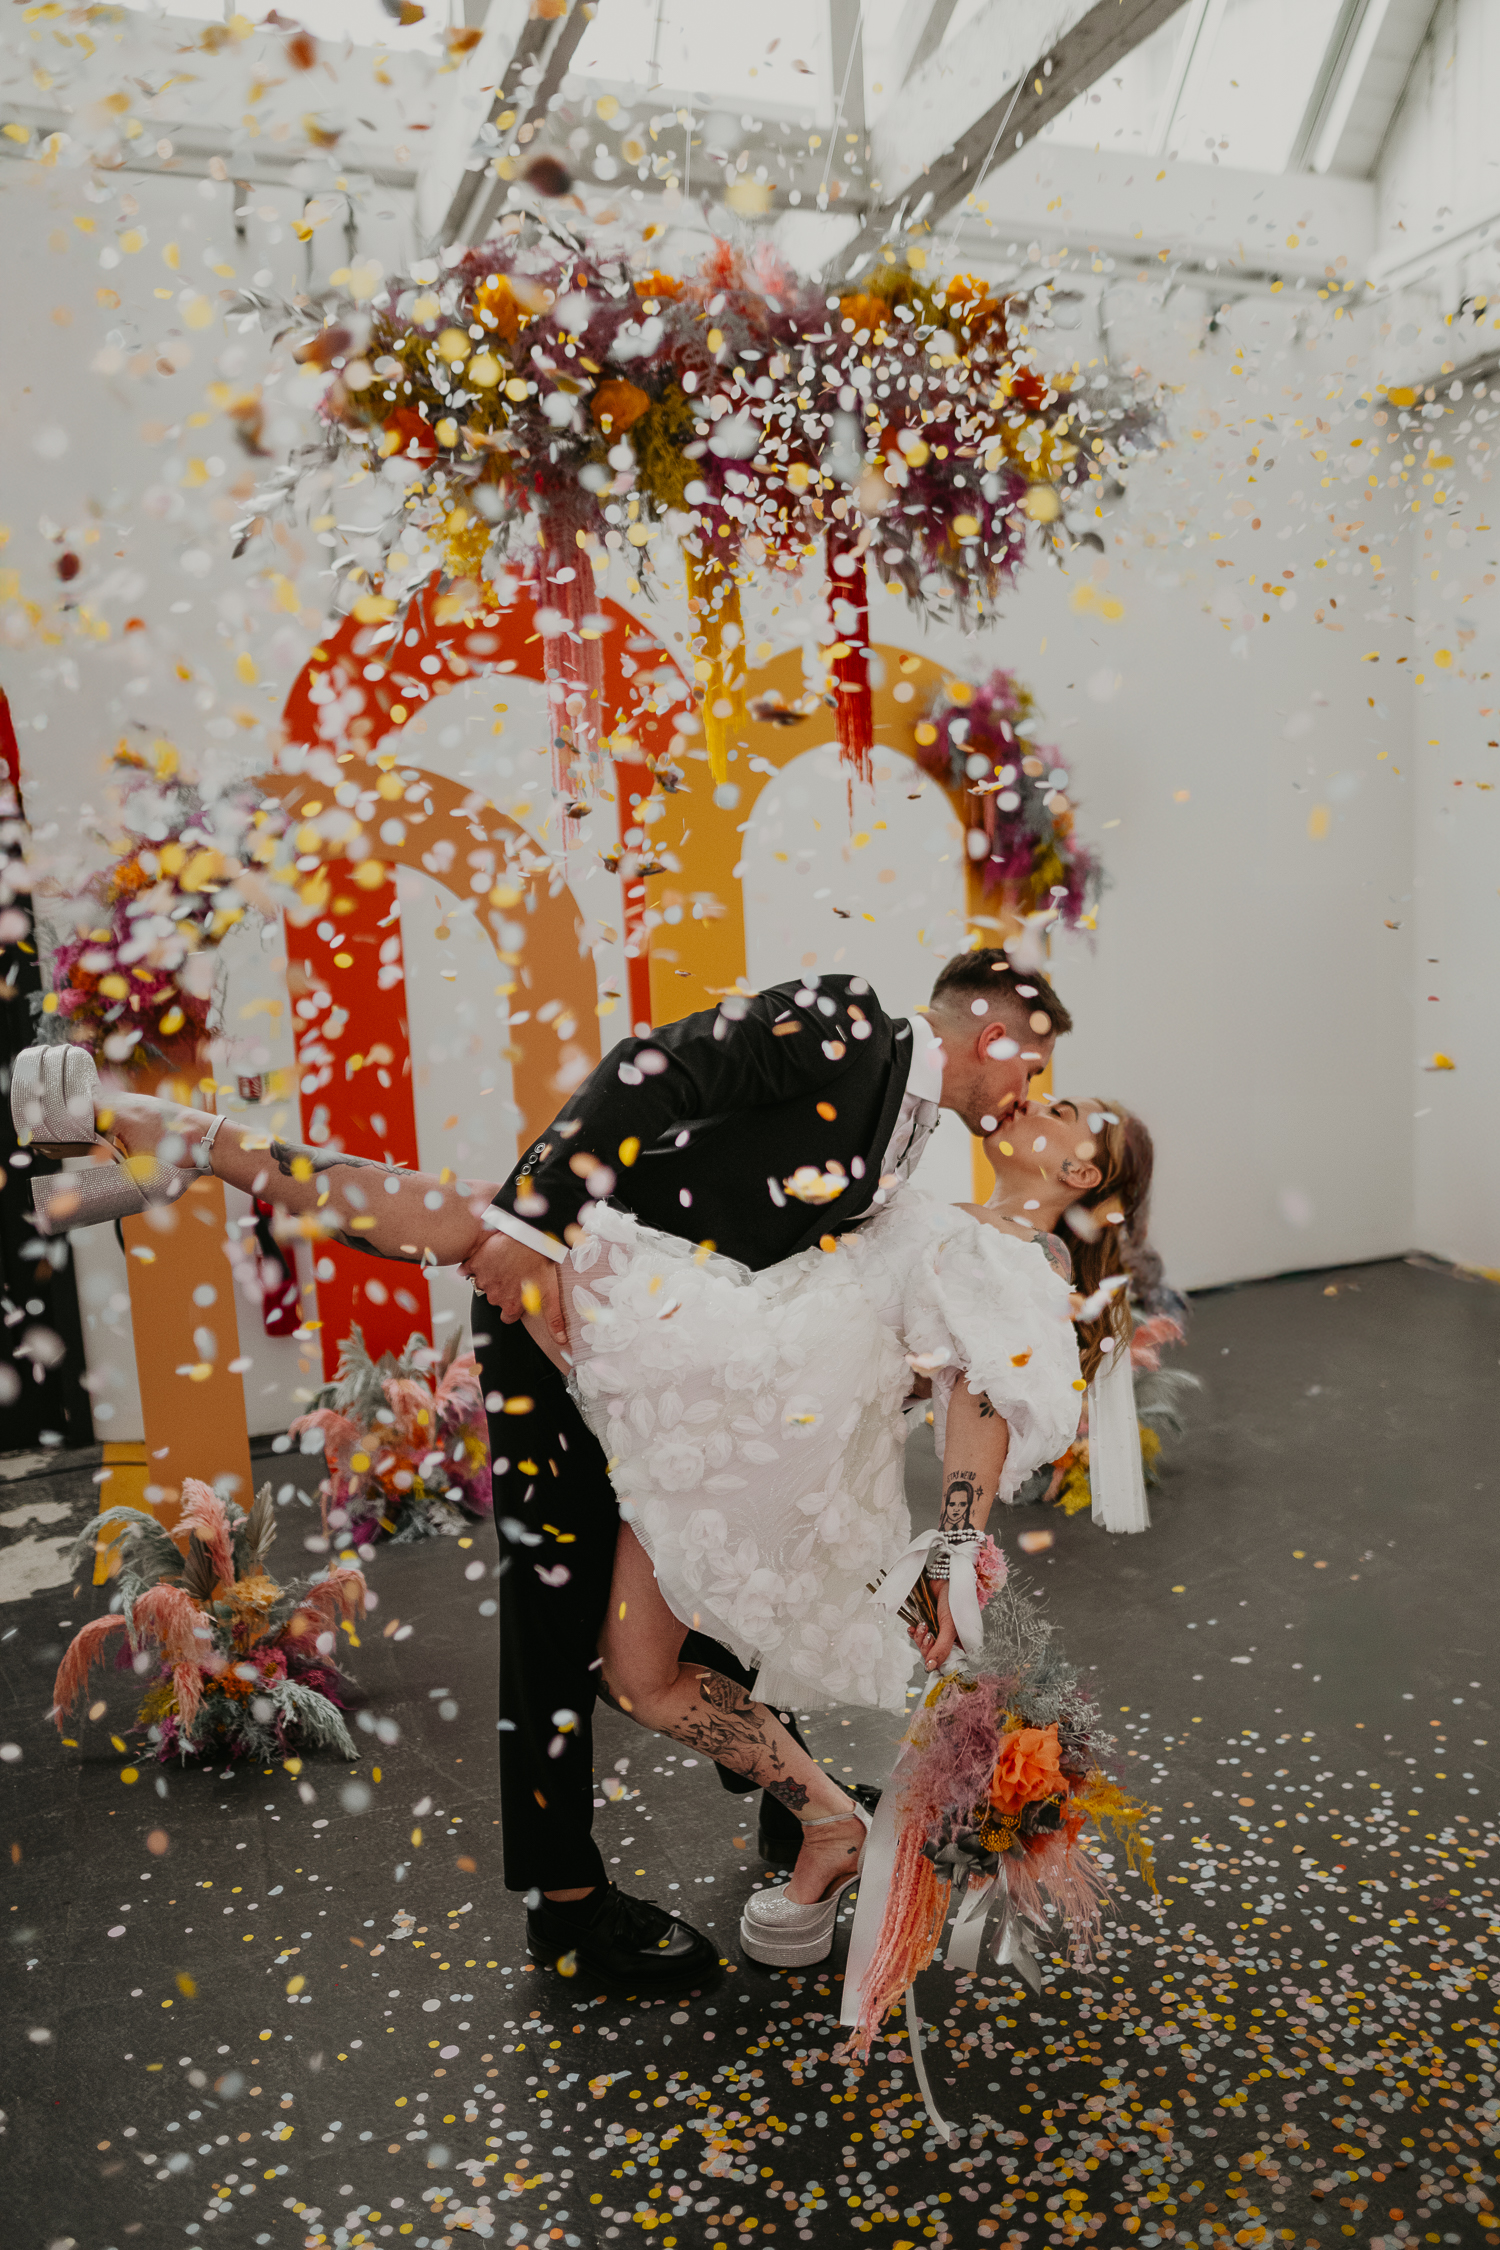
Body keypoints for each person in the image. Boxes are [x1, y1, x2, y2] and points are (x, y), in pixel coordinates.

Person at [18, 950, 1074, 1986]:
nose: (1036, 1094)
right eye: (1038, 1072)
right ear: (996, 1036)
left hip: (699, 1368)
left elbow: (880, 1307)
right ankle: (567, 1905)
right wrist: (537, 1224)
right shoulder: (849, 1016)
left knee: (698, 1580)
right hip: (610, 1313)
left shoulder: (919, 1154)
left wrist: (947, 1507)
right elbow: (648, 1069)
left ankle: (790, 1804)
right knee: (557, 1598)